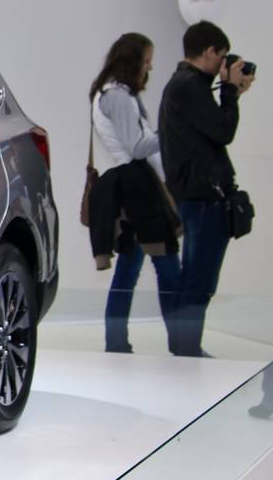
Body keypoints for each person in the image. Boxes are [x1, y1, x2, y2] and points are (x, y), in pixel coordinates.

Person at [158, 20, 254, 357]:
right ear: (209, 51)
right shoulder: (188, 85)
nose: (224, 65)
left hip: (197, 196)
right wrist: (230, 93)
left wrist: (229, 92)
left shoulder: (183, 84)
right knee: (199, 281)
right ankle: (186, 350)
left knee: (196, 279)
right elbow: (223, 130)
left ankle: (184, 347)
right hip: (203, 199)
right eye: (223, 56)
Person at [88, 33, 182, 353]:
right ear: (133, 62)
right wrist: (170, 132)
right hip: (138, 193)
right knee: (168, 267)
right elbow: (136, 146)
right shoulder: (117, 96)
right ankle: (181, 343)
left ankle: (116, 343)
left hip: (131, 191)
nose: (150, 67)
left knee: (130, 270)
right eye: (146, 61)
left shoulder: (112, 93)